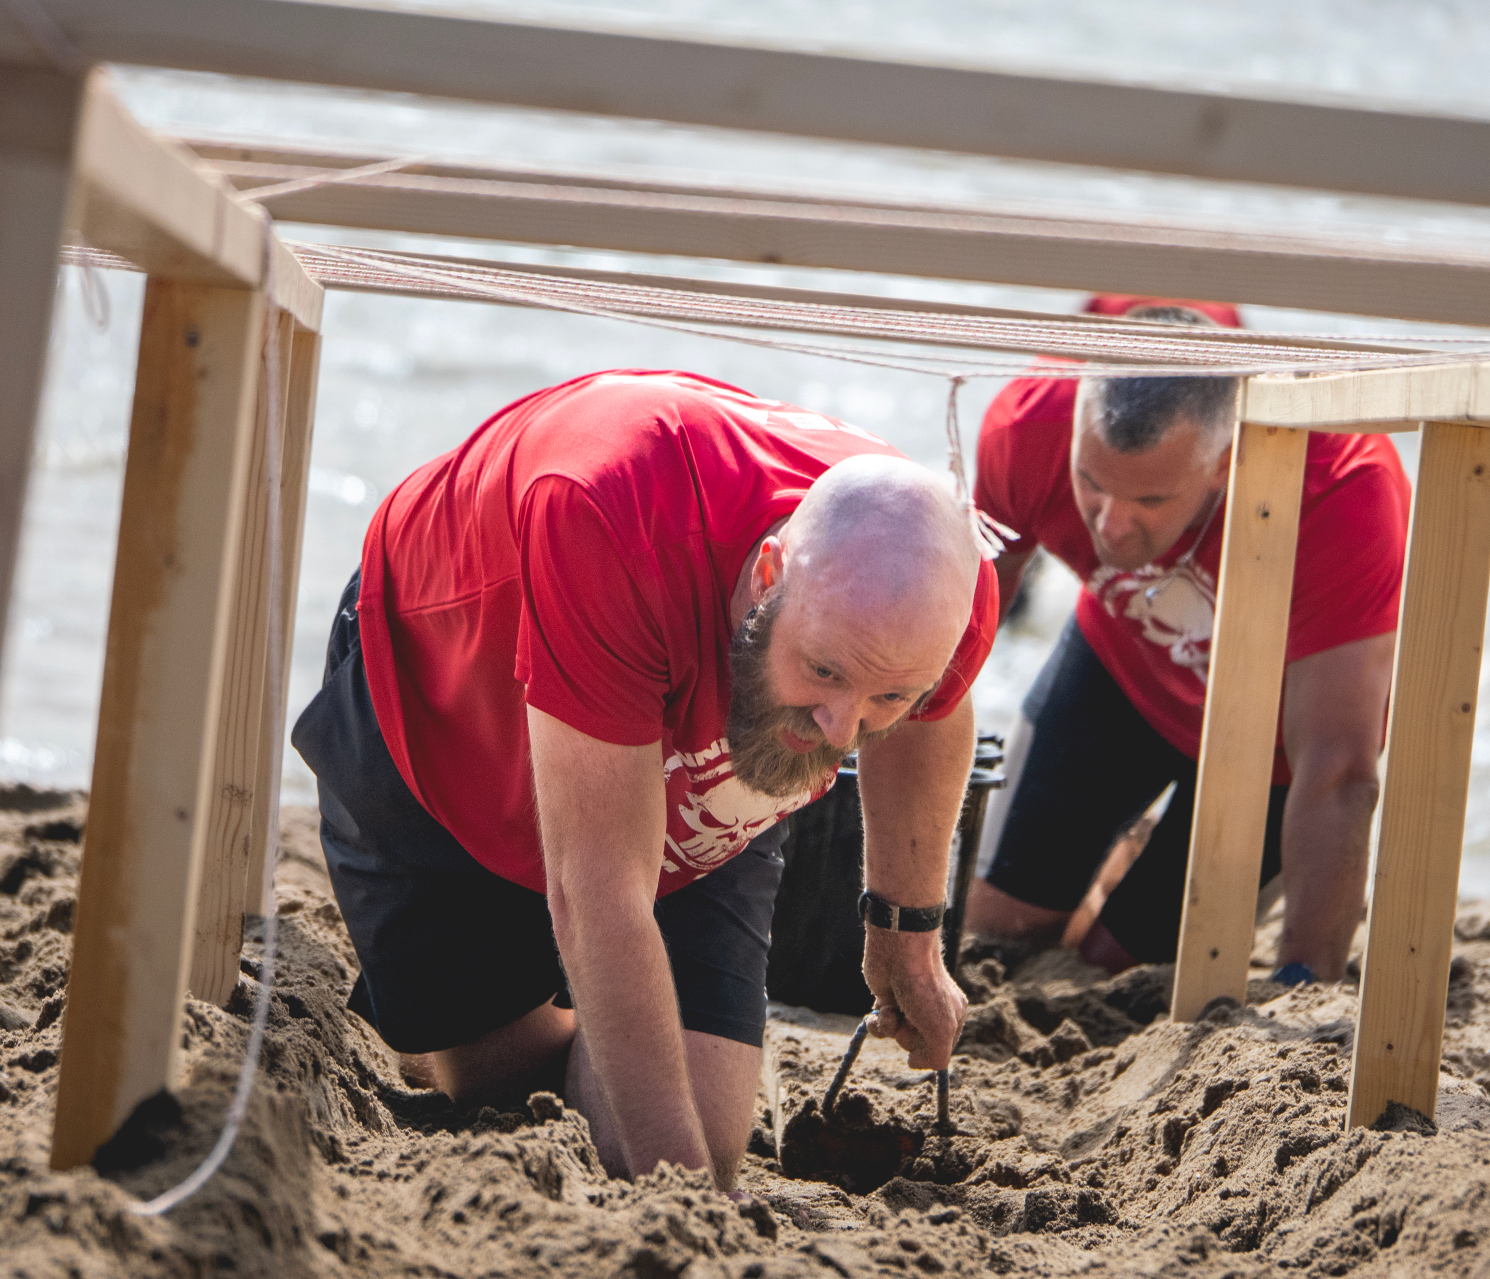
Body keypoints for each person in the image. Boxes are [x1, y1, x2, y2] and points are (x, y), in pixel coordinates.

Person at [291, 369, 997, 1193]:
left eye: (887, 695)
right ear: (768, 577)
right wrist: (688, 1208)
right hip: (442, 701)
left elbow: (939, 712)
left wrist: (907, 939)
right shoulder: (611, 516)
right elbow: (597, 890)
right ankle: (454, 1012)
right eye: (826, 670)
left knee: (698, 1131)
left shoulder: (942, 587)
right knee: (509, 1093)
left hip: (694, 764)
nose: (844, 730)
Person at [965, 303, 1411, 985]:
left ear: (1223, 463)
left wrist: (1300, 979)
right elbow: (963, 630)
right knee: (997, 928)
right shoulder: (1029, 425)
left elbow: (1339, 771)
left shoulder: (1342, 493)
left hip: (1273, 745)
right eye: (1091, 483)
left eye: (1148, 499)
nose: (1110, 527)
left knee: (1117, 968)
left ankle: (1132, 868)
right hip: (1120, 672)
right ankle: (1112, 859)